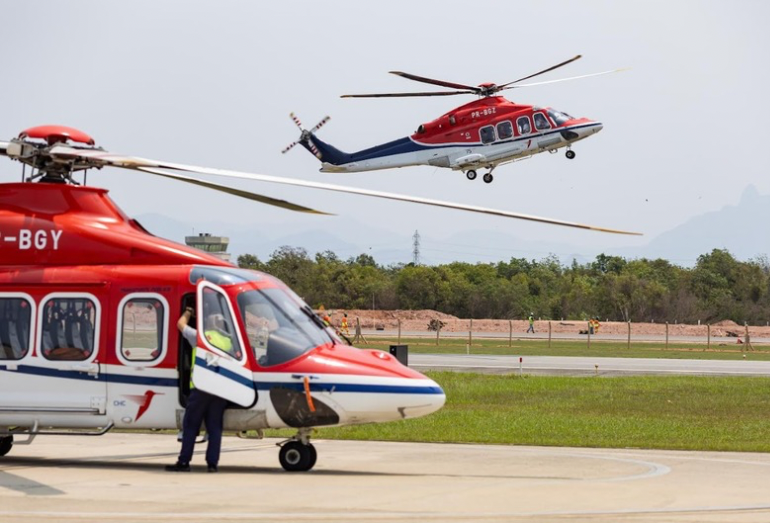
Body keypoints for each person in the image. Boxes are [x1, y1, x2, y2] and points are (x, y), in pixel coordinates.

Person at [165, 306, 231, 473]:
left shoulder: (201, 337)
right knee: (214, 427)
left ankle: (184, 462)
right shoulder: (228, 342)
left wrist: (188, 312)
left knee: (190, 426)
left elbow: (180, 324)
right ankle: (212, 464)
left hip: (200, 389)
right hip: (220, 390)